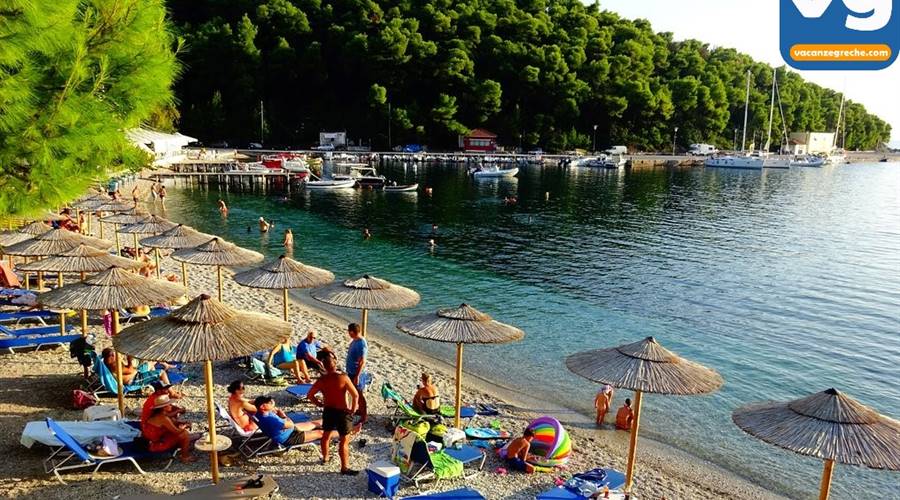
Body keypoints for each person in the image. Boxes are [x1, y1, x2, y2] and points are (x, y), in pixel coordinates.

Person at [307, 353, 359, 475]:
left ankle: (325, 458)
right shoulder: (343, 378)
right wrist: (353, 409)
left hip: (329, 410)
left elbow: (310, 395)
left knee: (326, 435)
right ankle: (344, 468)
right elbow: (355, 395)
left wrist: (319, 403)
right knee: (344, 440)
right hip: (342, 412)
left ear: (324, 367)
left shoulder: (322, 380)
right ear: (335, 364)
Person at [142, 394, 195, 463]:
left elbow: (172, 422)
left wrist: (182, 423)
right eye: (169, 405)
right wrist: (184, 427)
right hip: (155, 445)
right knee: (184, 434)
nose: (171, 406)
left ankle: (184, 447)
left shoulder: (159, 415)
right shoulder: (163, 418)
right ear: (164, 407)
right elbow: (177, 431)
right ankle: (185, 457)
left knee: (179, 430)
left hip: (151, 440)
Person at [254, 396, 324, 448]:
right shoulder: (271, 420)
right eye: (268, 403)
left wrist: (272, 408)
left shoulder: (259, 414)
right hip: (289, 438)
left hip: (287, 430)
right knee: (320, 433)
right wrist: (283, 416)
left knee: (313, 423)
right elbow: (291, 424)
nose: (271, 403)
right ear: (262, 407)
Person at [101, 348, 171, 386]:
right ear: (112, 356)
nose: (117, 354)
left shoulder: (107, 362)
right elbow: (130, 371)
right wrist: (129, 360)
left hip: (135, 373)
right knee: (162, 372)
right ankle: (170, 392)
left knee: (151, 361)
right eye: (115, 354)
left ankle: (165, 366)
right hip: (134, 379)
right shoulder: (114, 365)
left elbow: (129, 370)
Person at [345, 322, 368, 427]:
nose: (348, 334)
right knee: (354, 393)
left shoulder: (361, 344)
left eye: (349, 332)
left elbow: (362, 362)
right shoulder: (355, 340)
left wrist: (357, 376)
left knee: (359, 394)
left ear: (352, 332)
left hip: (356, 373)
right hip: (351, 372)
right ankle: (359, 409)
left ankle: (364, 417)